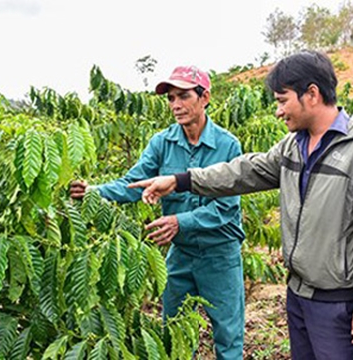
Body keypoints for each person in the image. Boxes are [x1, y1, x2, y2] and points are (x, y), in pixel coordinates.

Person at [129, 51, 353, 359]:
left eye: (282, 100)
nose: (278, 111)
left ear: (311, 94)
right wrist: (180, 181)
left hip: (338, 300)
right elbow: (244, 171)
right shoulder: (293, 146)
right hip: (298, 293)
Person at [70, 65, 245, 359]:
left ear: (204, 98)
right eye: (171, 98)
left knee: (228, 338)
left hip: (220, 255)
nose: (176, 105)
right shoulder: (162, 143)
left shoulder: (227, 145)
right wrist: (94, 192)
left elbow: (225, 209)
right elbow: (133, 184)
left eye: (184, 96)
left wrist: (180, 221)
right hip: (182, 254)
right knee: (174, 334)